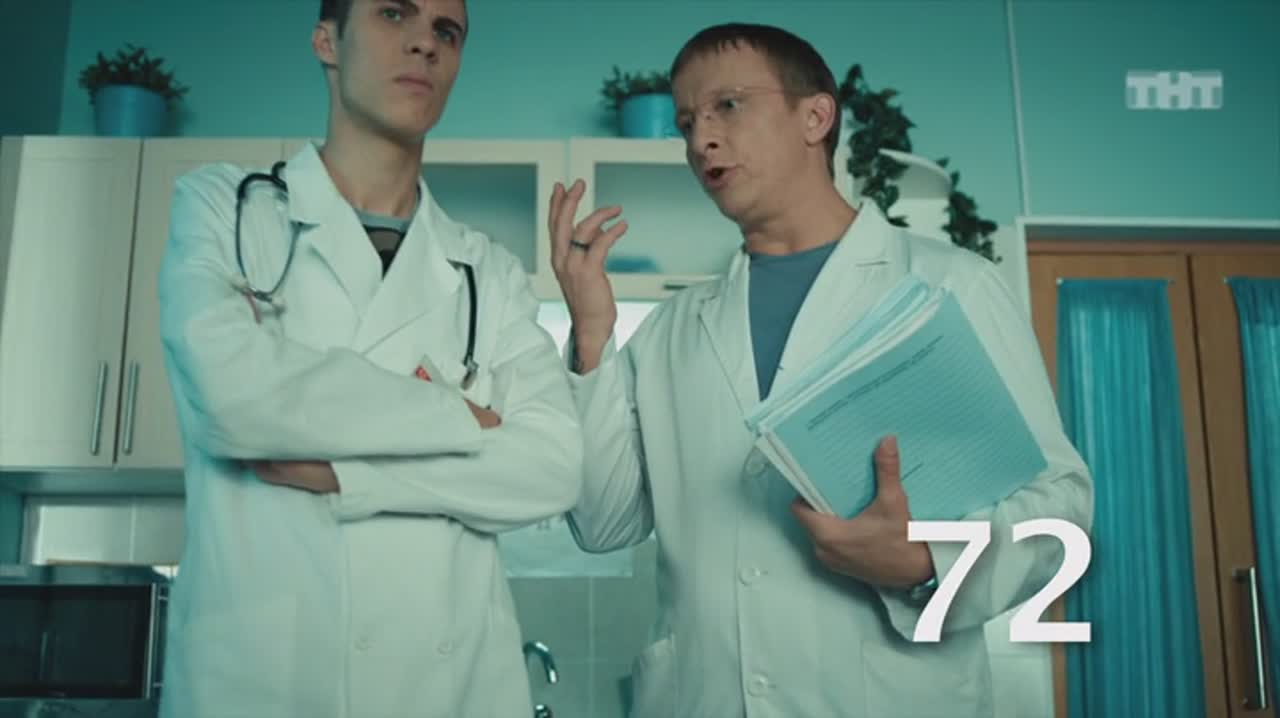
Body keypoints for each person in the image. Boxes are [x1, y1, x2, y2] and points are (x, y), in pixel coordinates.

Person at [551, 22, 1093, 718]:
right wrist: (592, 332)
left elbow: (1060, 507)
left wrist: (927, 563)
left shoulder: (949, 284)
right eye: (686, 122)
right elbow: (603, 524)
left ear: (815, 117)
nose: (700, 139)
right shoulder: (669, 332)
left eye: (727, 106)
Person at [155, 1, 584, 716]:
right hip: (266, 686)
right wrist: (461, 416)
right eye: (393, 14)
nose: (425, 43)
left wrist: (348, 476)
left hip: (450, 689)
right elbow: (233, 400)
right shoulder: (224, 209)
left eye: (447, 31)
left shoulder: (489, 272)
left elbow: (551, 468)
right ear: (327, 40)